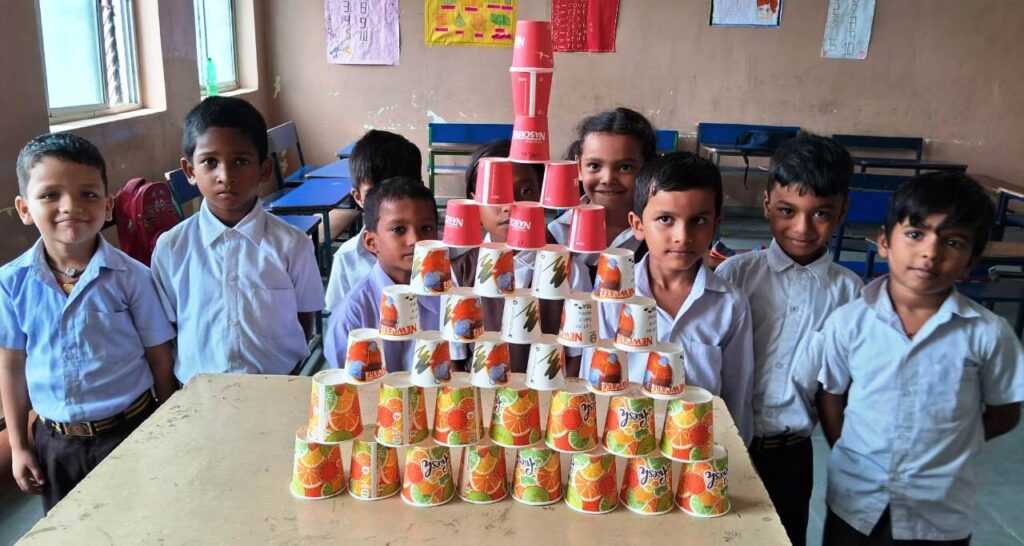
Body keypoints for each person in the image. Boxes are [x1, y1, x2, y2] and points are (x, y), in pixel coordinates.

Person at [818, 172, 1024, 545]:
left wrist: (952, 444)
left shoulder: (988, 333)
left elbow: (1005, 412)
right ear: (884, 242)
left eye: (953, 242)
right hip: (855, 499)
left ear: (971, 261)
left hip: (939, 510)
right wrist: (850, 452)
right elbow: (831, 396)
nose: (931, 252)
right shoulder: (848, 322)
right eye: (915, 234)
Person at [0, 133, 176, 512]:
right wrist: (19, 446)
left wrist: (165, 425)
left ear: (108, 206)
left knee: (142, 522)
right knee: (70, 529)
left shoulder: (132, 277)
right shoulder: (11, 283)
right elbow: (12, 366)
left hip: (129, 431)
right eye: (50, 195)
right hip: (55, 443)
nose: (71, 206)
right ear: (25, 208)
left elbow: (160, 358)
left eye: (88, 194)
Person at [715, 132, 861, 545]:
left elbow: (841, 387)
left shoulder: (850, 295)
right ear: (766, 205)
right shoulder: (735, 275)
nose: (802, 227)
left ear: (843, 211)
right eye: (786, 210)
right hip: (724, 446)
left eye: (821, 213)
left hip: (791, 454)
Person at [150, 96, 324, 385]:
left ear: (264, 170)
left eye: (241, 161)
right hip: (199, 394)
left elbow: (304, 315)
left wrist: (288, 370)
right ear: (190, 171)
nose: (225, 176)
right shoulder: (171, 248)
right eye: (210, 162)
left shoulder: (293, 244)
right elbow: (166, 328)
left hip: (277, 386)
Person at [588, 151, 755, 443]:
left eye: (698, 220)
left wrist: (733, 452)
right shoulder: (611, 297)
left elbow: (737, 396)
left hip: (698, 450)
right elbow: (594, 382)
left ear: (715, 224)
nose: (682, 236)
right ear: (638, 225)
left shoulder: (730, 305)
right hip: (623, 445)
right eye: (665, 219)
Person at [325, 177, 454, 372]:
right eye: (398, 229)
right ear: (371, 243)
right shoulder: (353, 315)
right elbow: (344, 382)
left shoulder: (452, 298)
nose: (415, 239)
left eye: (426, 228)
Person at [548, 107, 658, 287]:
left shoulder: (658, 235)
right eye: (594, 166)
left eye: (625, 167)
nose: (607, 179)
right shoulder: (555, 235)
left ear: (647, 169)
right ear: (578, 167)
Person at [324, 130, 422, 312]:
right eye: (373, 194)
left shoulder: (442, 253)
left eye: (399, 192)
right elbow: (338, 318)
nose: (387, 205)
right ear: (358, 197)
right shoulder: (347, 259)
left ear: (420, 189)